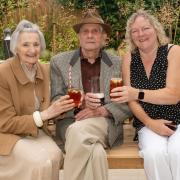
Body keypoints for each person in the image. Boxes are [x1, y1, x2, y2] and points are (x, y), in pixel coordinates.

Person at [50, 9, 131, 180]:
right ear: (79, 37)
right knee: (96, 153)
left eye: (95, 31)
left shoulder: (118, 63)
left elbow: (127, 102)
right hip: (72, 121)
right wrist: (79, 102)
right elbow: (56, 99)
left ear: (103, 38)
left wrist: (102, 111)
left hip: (104, 123)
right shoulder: (59, 62)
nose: (90, 35)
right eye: (85, 31)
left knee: (77, 133)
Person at [0, 20, 75, 180]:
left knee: (55, 155)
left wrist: (61, 108)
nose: (32, 50)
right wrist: (44, 115)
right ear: (16, 49)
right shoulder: (3, 73)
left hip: (34, 132)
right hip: (6, 135)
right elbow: (5, 123)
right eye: (26, 45)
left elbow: (48, 110)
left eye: (36, 44)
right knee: (39, 162)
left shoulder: (43, 69)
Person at [110, 9, 180, 180]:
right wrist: (150, 123)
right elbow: (130, 100)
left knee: (177, 152)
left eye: (145, 28)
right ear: (131, 36)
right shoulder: (129, 58)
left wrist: (137, 93)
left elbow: (173, 95)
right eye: (135, 31)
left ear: (156, 29)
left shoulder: (174, 52)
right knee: (154, 154)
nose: (141, 34)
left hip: (178, 120)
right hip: (147, 124)